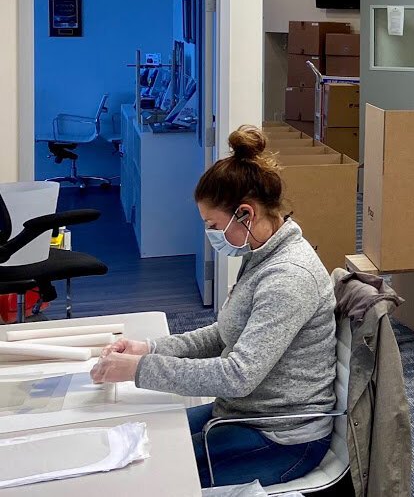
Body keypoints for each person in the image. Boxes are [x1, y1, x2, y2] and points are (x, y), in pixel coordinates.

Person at [90, 126, 337, 487]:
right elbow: (225, 334)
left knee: (153, 477)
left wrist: (139, 369)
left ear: (245, 214)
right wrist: (151, 348)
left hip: (282, 437)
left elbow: (237, 375)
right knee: (141, 445)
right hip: (244, 413)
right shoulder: (263, 254)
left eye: (213, 224)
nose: (211, 234)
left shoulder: (288, 276)